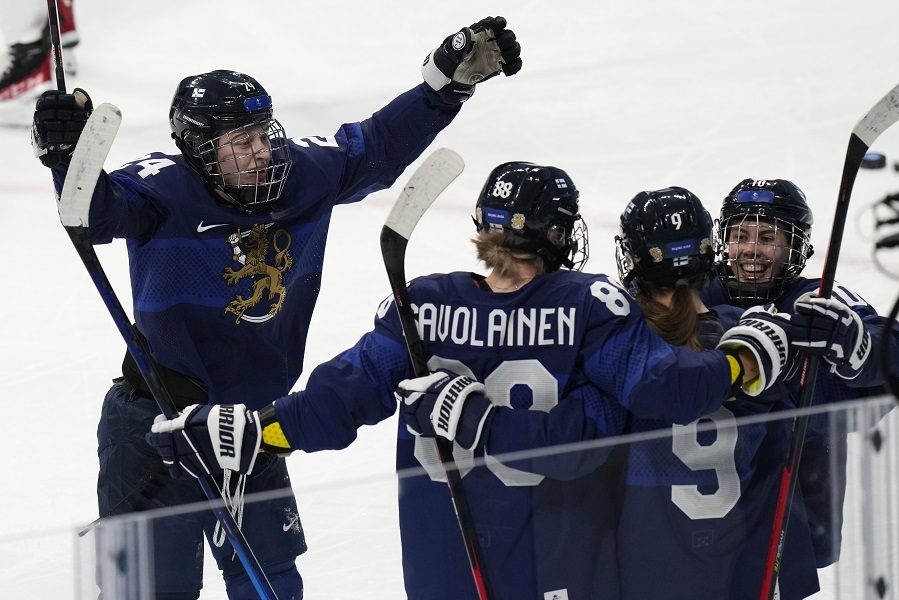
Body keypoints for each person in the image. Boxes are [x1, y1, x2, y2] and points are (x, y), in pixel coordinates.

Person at [32, 16, 522, 600]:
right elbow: (97, 211)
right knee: (144, 590)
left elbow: (376, 147)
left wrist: (443, 88)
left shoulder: (302, 174)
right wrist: (67, 155)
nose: (262, 151)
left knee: (275, 586)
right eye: (242, 142)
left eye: (263, 133)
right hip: (155, 426)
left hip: (252, 427)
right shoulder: (163, 191)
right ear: (198, 148)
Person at [146, 162, 798, 599]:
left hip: (442, 561)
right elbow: (661, 396)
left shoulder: (424, 304)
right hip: (554, 562)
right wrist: (742, 361)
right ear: (561, 234)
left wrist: (263, 431)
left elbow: (343, 397)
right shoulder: (587, 305)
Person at [613, 186, 822, 599]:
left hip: (646, 561)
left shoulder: (621, 340)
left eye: (766, 237)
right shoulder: (759, 336)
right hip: (741, 557)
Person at [703, 178, 899, 573]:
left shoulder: (817, 300)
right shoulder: (704, 294)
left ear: (796, 247)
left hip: (797, 516)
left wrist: (858, 344)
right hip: (709, 516)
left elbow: (890, 344)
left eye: (768, 237)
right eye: (739, 235)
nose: (750, 250)